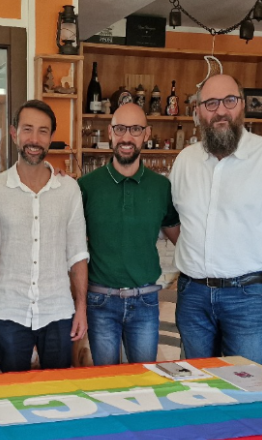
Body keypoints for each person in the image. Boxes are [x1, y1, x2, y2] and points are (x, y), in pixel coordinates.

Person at [168, 74, 262, 365]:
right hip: (193, 295)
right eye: (210, 103)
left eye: (229, 101)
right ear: (198, 111)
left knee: (247, 382)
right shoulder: (185, 161)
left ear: (242, 105)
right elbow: (175, 220)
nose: (221, 110)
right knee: (196, 381)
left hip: (247, 297)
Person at [0, 100, 89, 372]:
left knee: (58, 390)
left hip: (58, 310)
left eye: (43, 131)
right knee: (13, 391)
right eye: (27, 129)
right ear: (14, 133)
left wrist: (81, 307)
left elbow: (78, 254)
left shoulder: (69, 189)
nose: (35, 139)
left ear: (51, 138)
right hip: (8, 310)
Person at [78, 103, 180, 365]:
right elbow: (71, 244)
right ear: (110, 133)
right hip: (100, 301)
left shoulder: (161, 187)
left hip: (145, 300)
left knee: (145, 379)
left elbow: (179, 237)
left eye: (135, 129)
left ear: (147, 134)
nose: (126, 137)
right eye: (120, 129)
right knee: (106, 381)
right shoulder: (86, 186)